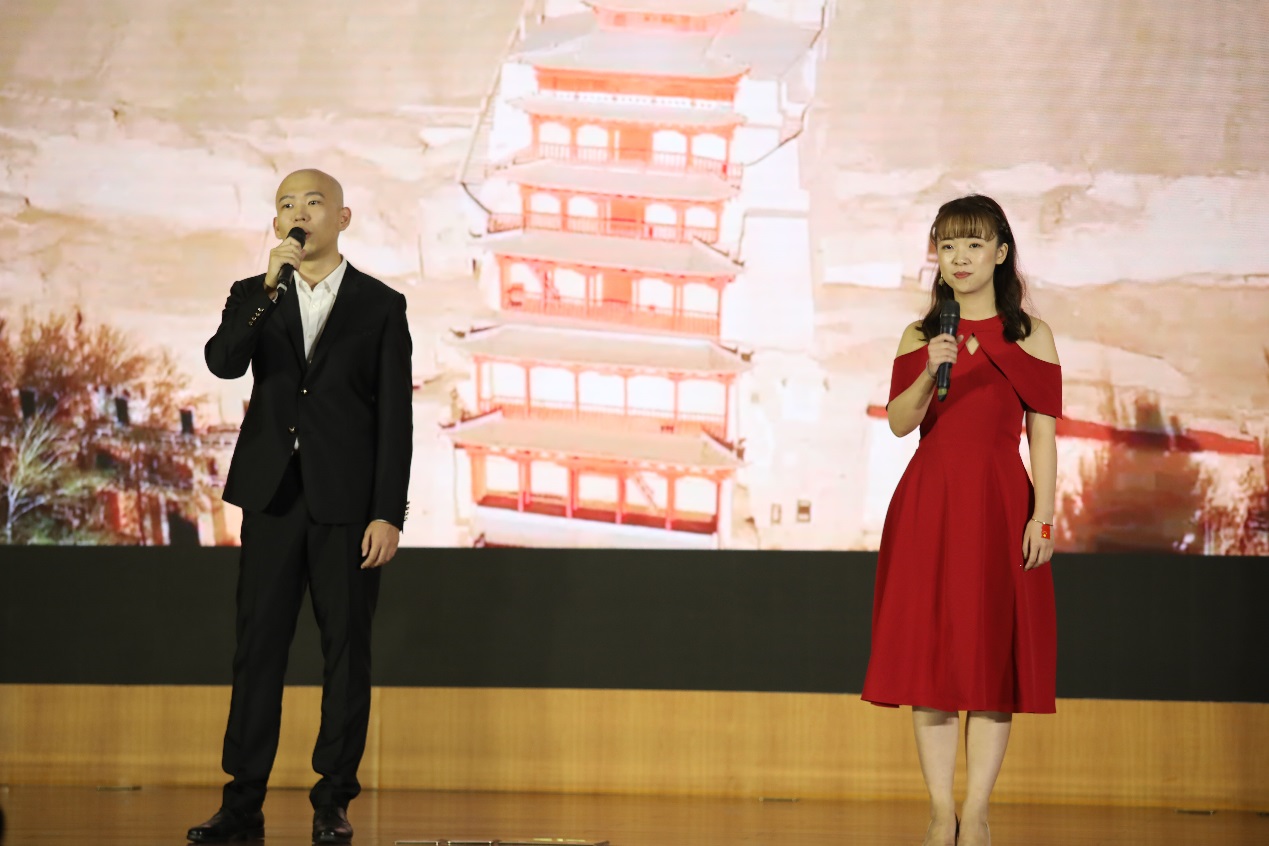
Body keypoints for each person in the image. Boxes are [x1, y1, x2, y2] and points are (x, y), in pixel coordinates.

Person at [189, 169, 413, 845]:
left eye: (313, 202)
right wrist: (264, 292)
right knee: (257, 650)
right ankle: (241, 802)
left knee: (346, 654)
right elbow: (223, 362)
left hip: (347, 505)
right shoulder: (252, 294)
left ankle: (332, 801)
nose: (298, 213)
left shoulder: (381, 305)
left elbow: (395, 419)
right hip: (273, 498)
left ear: (341, 217)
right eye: (286, 203)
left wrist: (387, 512)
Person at [861, 195, 1061, 846]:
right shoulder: (920, 336)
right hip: (931, 502)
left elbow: (1042, 434)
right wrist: (928, 372)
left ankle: (976, 812)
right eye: (947, 246)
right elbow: (899, 423)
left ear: (1000, 252)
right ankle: (938, 811)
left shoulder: (1031, 334)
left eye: (973, 244)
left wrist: (1043, 517)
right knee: (933, 659)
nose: (960, 258)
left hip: (1001, 501)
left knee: (991, 658)